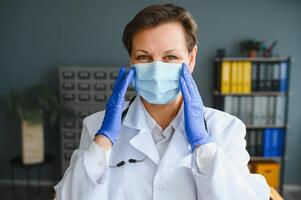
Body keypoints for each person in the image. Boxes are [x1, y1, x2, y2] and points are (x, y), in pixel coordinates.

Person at [54, 4, 270, 200]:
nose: (157, 70)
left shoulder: (226, 129)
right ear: (131, 61)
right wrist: (103, 141)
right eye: (144, 57)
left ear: (191, 58)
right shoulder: (96, 127)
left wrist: (204, 146)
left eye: (170, 57)